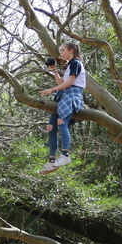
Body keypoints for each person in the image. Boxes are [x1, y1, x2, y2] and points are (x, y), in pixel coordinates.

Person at [38, 42, 87, 173]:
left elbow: (70, 83)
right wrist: (54, 71)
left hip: (72, 94)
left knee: (62, 122)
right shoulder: (69, 66)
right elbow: (62, 83)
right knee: (51, 127)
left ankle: (65, 155)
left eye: (63, 50)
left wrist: (51, 90)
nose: (61, 53)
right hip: (63, 95)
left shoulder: (76, 63)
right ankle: (52, 161)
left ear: (71, 50)